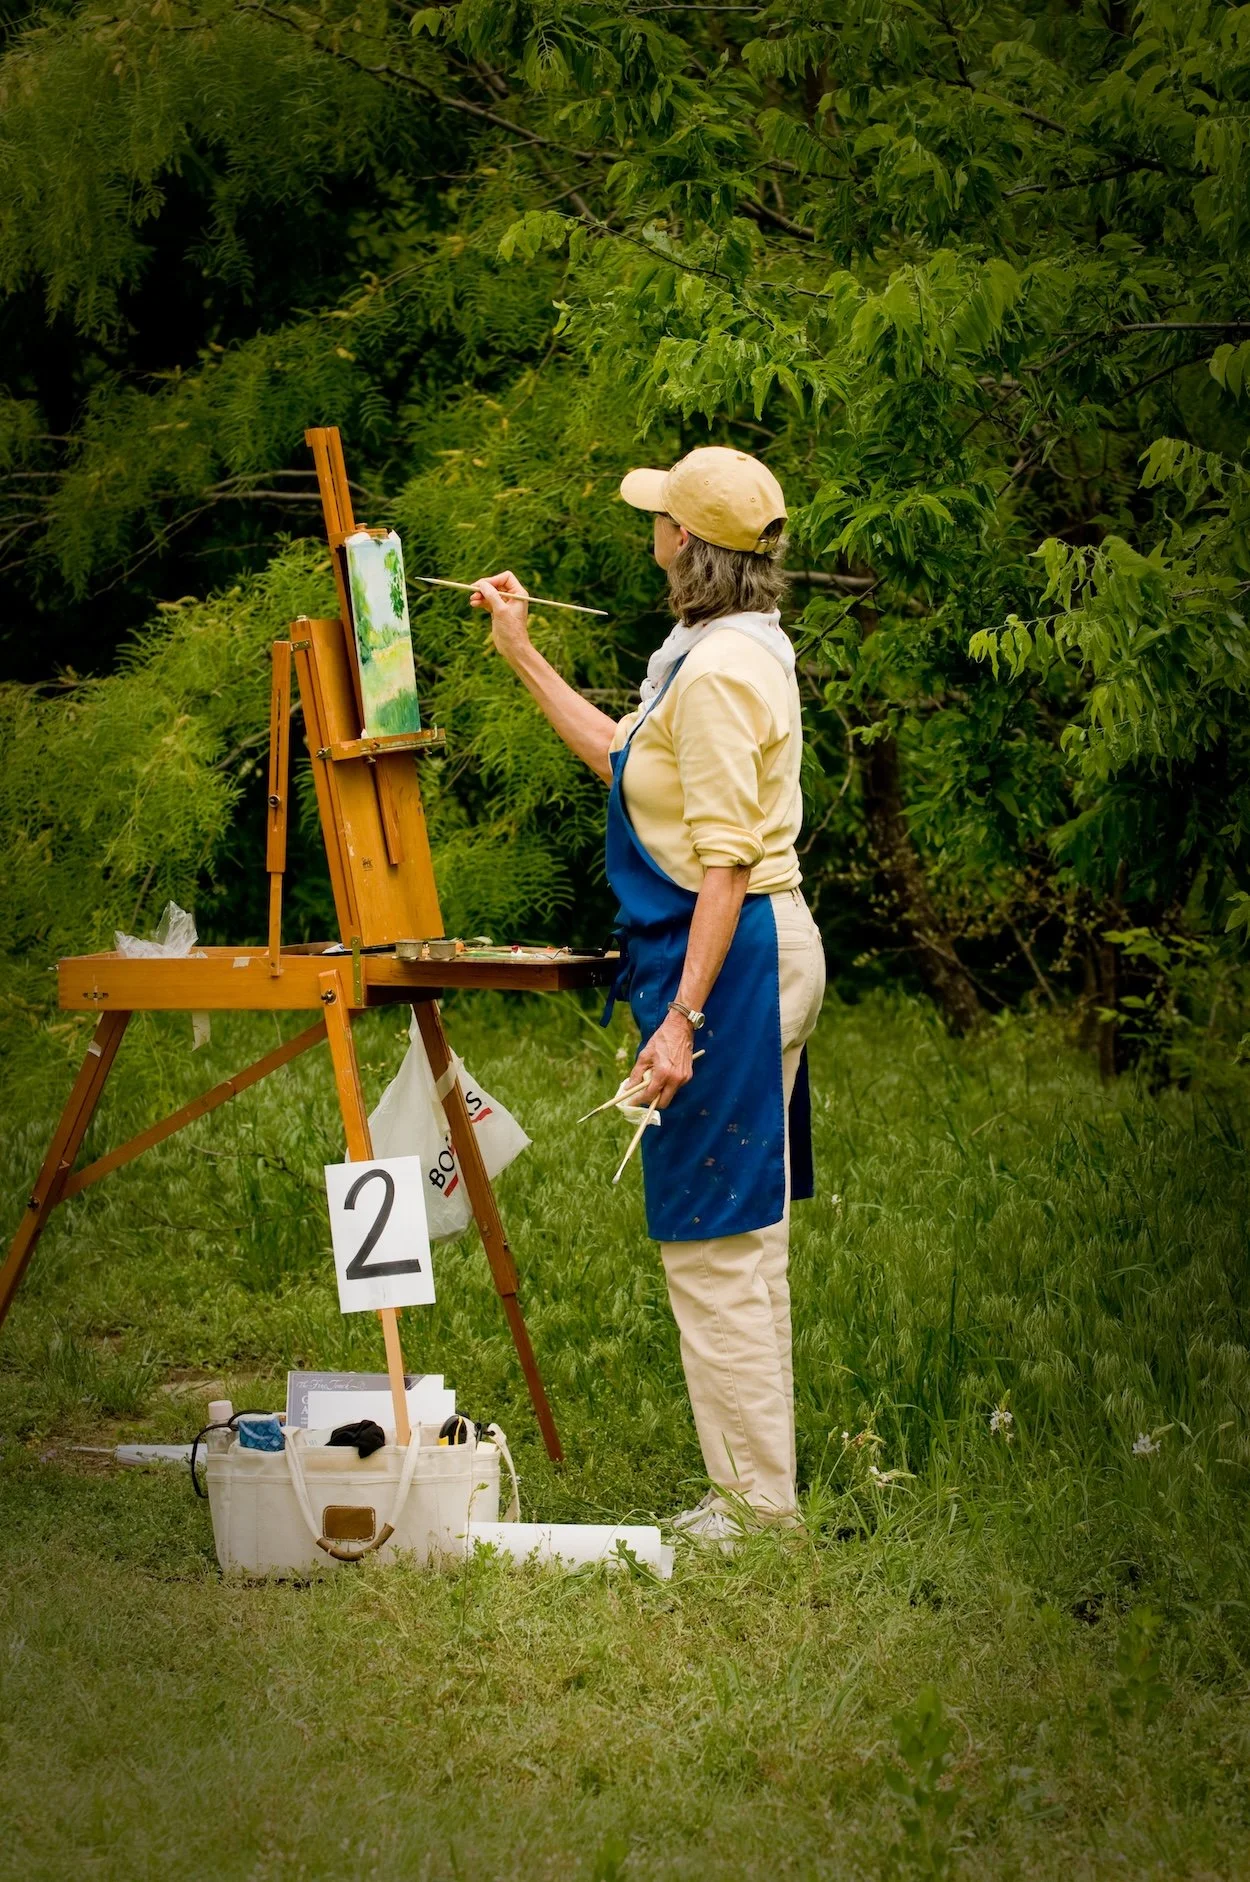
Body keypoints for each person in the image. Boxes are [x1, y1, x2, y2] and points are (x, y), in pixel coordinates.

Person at [471, 445, 825, 1544]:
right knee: (739, 1243)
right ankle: (760, 1500)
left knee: (714, 1248)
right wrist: (520, 653)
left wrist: (682, 1020)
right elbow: (624, 755)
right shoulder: (713, 648)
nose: (649, 533)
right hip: (747, 948)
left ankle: (754, 1515)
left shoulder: (719, 672)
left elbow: (722, 859)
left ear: (687, 545)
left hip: (733, 954)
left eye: (659, 519)